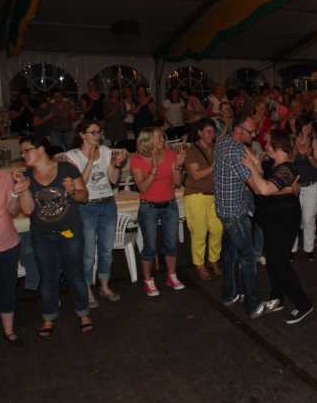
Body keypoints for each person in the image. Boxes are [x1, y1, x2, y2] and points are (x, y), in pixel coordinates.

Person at [19, 135, 93, 336]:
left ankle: (84, 314)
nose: (23, 155)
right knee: (47, 277)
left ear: (41, 149)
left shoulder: (67, 168)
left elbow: (84, 197)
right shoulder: (26, 175)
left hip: (70, 233)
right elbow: (27, 210)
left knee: (75, 275)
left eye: (26, 150)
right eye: (22, 152)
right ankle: (48, 317)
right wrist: (23, 190)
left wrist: (72, 191)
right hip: (42, 235)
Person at [244, 130, 313, 325]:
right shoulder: (271, 163)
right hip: (271, 220)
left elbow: (264, 189)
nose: (265, 147)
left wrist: (251, 168)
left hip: (284, 220)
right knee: (273, 262)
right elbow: (263, 183)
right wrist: (253, 164)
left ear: (279, 148)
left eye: (268, 144)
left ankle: (304, 304)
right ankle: (277, 297)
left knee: (280, 263)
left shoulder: (288, 169)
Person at [65, 120, 127, 308]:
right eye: (93, 132)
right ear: (82, 135)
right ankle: (87, 290)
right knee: (89, 253)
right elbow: (79, 185)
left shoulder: (106, 151)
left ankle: (105, 287)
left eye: (99, 132)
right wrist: (91, 160)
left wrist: (116, 165)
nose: (98, 135)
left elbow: (113, 181)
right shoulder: (72, 156)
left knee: (106, 250)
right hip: (86, 207)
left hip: (107, 203)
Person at [214, 114, 264, 313]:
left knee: (229, 254)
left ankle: (230, 293)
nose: (255, 134)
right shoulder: (236, 151)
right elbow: (257, 187)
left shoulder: (223, 142)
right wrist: (255, 165)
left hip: (224, 210)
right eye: (251, 131)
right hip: (235, 214)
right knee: (248, 257)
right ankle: (252, 304)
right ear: (239, 130)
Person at [130, 126, 186, 296]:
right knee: (150, 246)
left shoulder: (170, 154)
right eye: (159, 137)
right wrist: (154, 169)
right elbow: (142, 187)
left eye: (162, 137)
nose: (163, 140)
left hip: (169, 204)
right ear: (148, 140)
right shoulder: (137, 159)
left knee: (171, 244)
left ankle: (172, 276)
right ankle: (148, 280)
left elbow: (177, 183)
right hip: (149, 206)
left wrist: (178, 166)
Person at [184, 119, 222, 281]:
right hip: (196, 195)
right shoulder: (192, 150)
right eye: (208, 131)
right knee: (199, 232)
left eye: (213, 132)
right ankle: (199, 265)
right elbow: (196, 175)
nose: (211, 135)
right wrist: (214, 166)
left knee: (218, 229)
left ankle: (213, 259)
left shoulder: (216, 149)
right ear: (199, 133)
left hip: (214, 195)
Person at [0, 167, 29, 345]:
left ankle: (8, 331)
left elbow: (13, 211)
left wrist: (15, 194)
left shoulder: (5, 177)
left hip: (7, 243)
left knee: (7, 288)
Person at [292, 115, 317, 261]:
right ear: (300, 126)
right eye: (306, 125)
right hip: (296, 185)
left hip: (311, 184)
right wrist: (296, 149)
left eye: (310, 126)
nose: (309, 128)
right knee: (294, 218)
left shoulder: (315, 142)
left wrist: (310, 156)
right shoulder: (293, 140)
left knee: (308, 218)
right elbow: (289, 160)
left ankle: (309, 249)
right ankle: (292, 248)